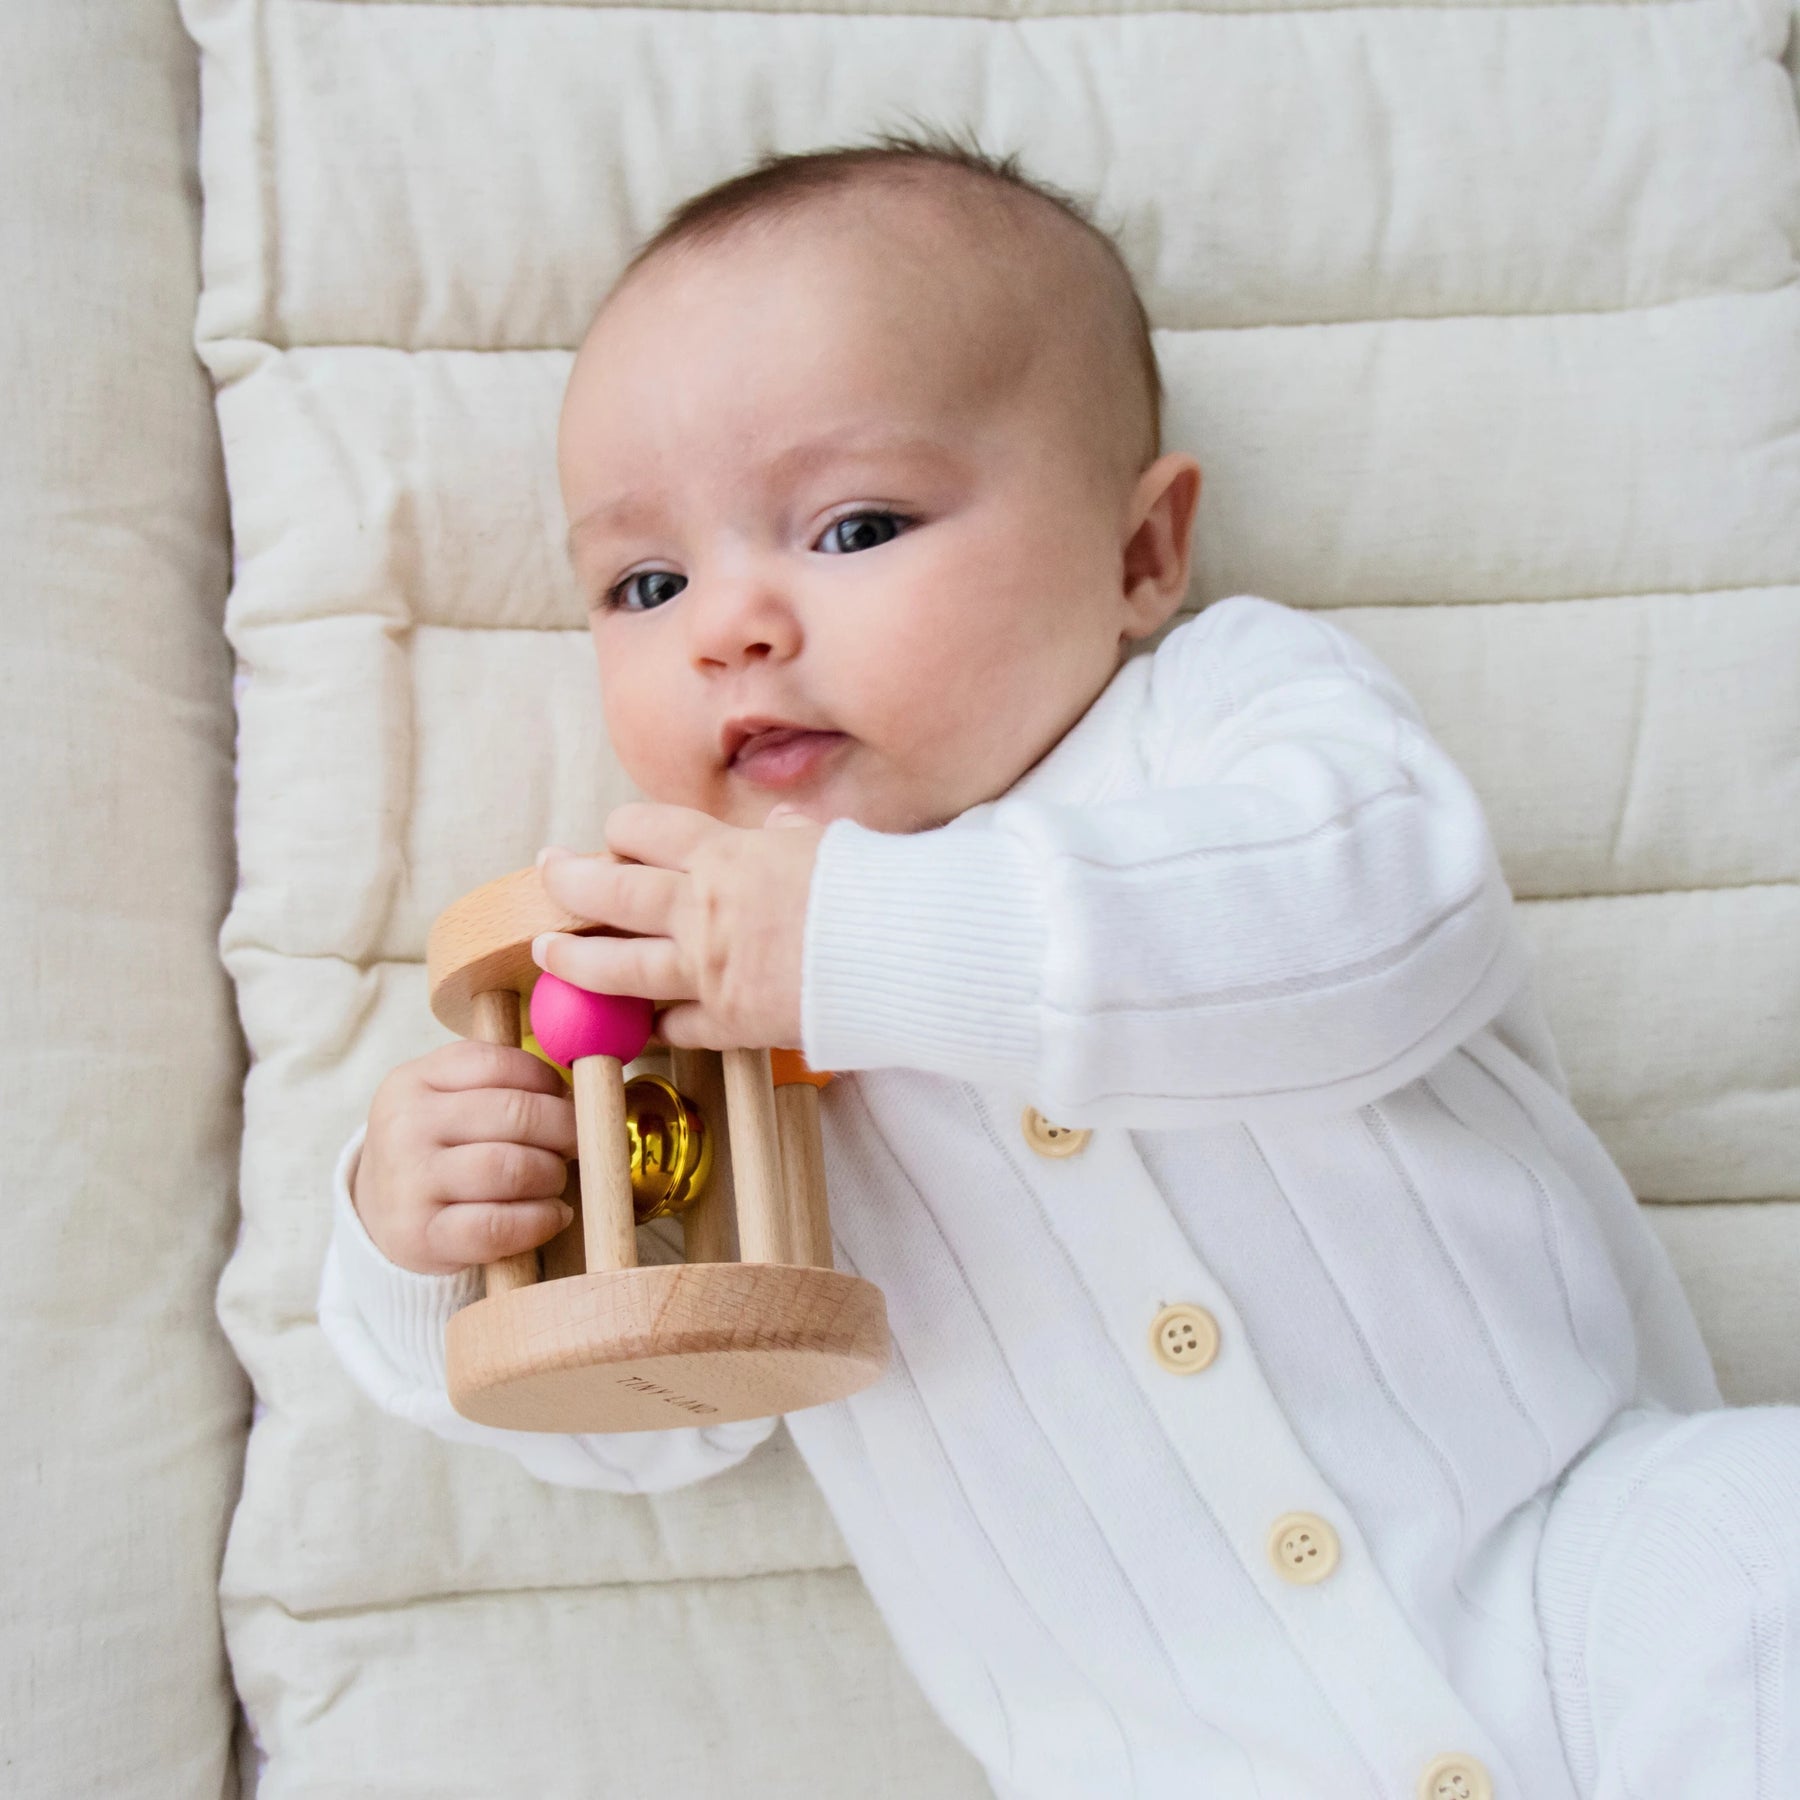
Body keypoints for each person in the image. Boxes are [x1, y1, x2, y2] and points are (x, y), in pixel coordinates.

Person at [319, 129, 1800, 1798]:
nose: (731, 627)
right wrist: (432, 1247)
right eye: (646, 581)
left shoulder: (1225, 720)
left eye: (854, 526)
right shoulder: (667, 996)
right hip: (1187, 1756)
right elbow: (662, 1410)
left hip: (1582, 1585)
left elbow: (1394, 917)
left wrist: (852, 944)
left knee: (1761, 1537)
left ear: (1141, 555)